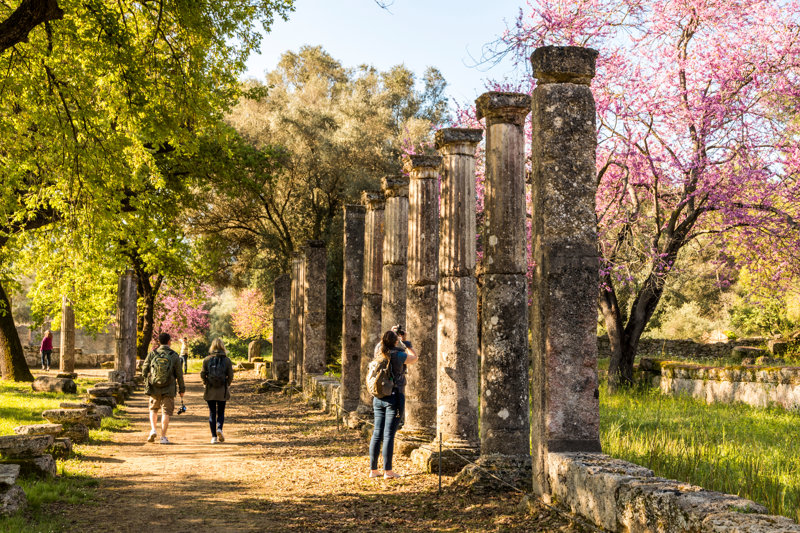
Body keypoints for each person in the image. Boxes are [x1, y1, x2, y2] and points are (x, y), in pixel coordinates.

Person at [369, 330, 417, 480]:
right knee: (389, 434)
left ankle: (373, 470)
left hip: (378, 397)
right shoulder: (398, 355)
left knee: (377, 433)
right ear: (396, 341)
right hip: (394, 397)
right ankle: (388, 471)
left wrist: (392, 336)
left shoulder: (379, 352)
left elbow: (381, 344)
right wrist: (407, 343)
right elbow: (414, 358)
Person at [142, 332, 185, 444]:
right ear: (169, 341)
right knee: (166, 412)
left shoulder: (152, 354)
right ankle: (163, 437)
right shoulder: (174, 355)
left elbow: (144, 370)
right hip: (169, 388)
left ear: (159, 342)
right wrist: (182, 389)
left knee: (153, 409)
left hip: (154, 387)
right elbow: (179, 374)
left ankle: (153, 430)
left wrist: (149, 380)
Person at [200, 338, 234, 444]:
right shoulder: (227, 360)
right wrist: (226, 384)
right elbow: (231, 375)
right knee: (221, 412)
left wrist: (206, 382)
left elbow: (202, 373)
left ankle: (213, 437)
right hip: (222, 390)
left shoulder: (206, 359)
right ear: (222, 346)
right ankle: (219, 428)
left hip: (210, 389)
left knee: (212, 413)